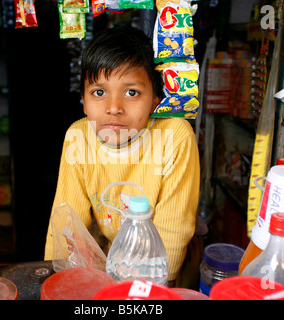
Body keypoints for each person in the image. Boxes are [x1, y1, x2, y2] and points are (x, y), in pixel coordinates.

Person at [44, 26, 201, 287]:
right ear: (83, 99)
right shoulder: (78, 136)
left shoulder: (175, 135)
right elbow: (65, 222)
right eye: (99, 92)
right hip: (111, 265)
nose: (114, 108)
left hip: (163, 274)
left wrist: (152, 290)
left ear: (155, 100)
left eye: (131, 92)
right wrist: (56, 280)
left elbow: (173, 231)